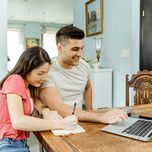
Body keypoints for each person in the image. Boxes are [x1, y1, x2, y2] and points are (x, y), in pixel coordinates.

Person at [39, 25, 128, 124]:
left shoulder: (84, 66)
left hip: (81, 118)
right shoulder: (47, 70)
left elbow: (87, 87)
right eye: (75, 49)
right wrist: (99, 116)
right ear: (60, 47)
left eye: (82, 48)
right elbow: (59, 108)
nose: (80, 54)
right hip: (57, 122)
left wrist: (90, 110)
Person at [0, 46, 77, 152]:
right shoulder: (15, 80)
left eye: (46, 73)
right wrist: (61, 124)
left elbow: (38, 104)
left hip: (19, 143)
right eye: (40, 74)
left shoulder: (28, 87)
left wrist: (46, 111)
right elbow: (18, 121)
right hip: (7, 143)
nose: (44, 78)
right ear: (26, 68)